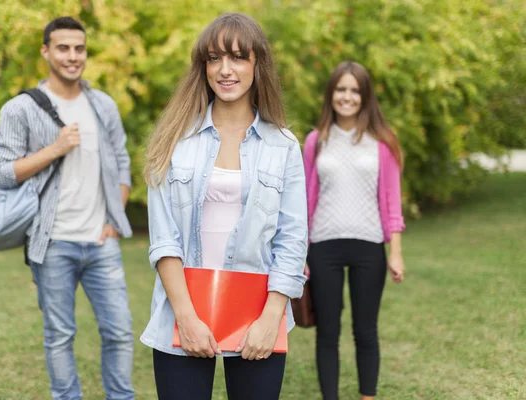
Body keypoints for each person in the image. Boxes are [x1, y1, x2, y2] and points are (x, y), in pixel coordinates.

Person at [141, 12, 307, 400]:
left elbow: (292, 240)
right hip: (182, 312)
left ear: (257, 65)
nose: (225, 69)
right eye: (214, 58)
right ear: (203, 67)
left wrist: (271, 318)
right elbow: (163, 239)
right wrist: (186, 316)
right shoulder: (172, 140)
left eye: (237, 57)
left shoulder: (284, 146)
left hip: (258, 317)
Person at [0, 16, 135, 400]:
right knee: (59, 336)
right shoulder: (19, 109)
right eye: (63, 48)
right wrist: (54, 149)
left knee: (119, 332)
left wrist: (113, 221)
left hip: (102, 242)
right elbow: (3, 173)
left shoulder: (102, 104)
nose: (73, 56)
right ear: (46, 51)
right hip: (52, 242)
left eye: (79, 48)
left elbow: (122, 162)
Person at [303, 61, 406, 400]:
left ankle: (367, 396)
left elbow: (391, 201)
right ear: (331, 93)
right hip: (323, 246)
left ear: (365, 96)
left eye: (354, 90)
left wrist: (396, 252)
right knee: (328, 333)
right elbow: (305, 199)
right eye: (341, 89)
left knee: (366, 331)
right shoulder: (315, 141)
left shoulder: (382, 143)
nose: (347, 96)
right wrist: (300, 252)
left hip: (368, 246)